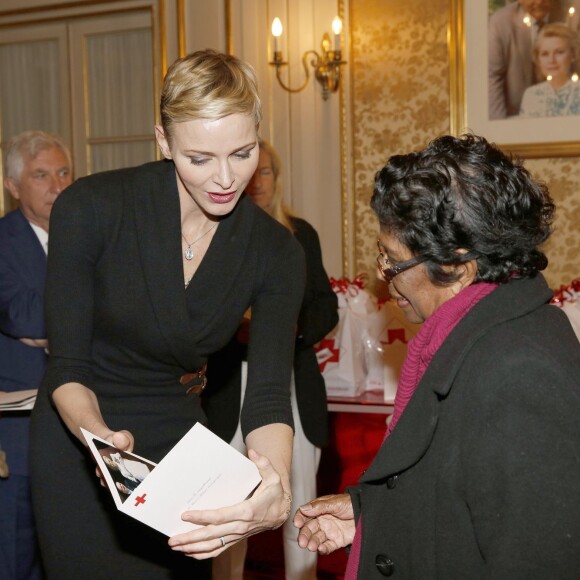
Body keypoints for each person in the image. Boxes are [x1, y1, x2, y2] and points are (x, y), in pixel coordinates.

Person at [29, 50, 306, 580]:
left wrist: (276, 483)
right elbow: (66, 366)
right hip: (81, 431)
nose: (226, 178)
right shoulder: (91, 209)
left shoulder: (276, 251)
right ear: (163, 141)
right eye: (200, 158)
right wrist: (102, 440)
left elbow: (268, 396)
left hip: (179, 447)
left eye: (243, 152)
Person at [293, 134, 580, 578]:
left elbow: (535, 557)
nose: (383, 275)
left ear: (458, 268)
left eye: (393, 261)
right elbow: (455, 485)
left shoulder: (520, 371)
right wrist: (370, 510)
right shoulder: (481, 334)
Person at [203, 139, 338, 580]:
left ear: (276, 179)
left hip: (291, 379)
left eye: (266, 172)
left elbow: (325, 307)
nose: (257, 180)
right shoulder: (210, 231)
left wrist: (284, 327)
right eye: (251, 170)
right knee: (227, 504)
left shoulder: (299, 234)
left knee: (301, 501)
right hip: (227, 386)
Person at [0, 130, 73, 580]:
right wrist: (75, 321)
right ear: (13, 186)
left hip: (79, 436)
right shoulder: (3, 241)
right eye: (42, 175)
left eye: (64, 172)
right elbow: (24, 317)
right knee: (16, 559)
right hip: (17, 437)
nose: (57, 185)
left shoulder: (87, 234)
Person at [488, 0, 566, 118]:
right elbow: (492, 77)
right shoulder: (500, 23)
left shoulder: (571, 14)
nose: (539, 1)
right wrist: (501, 129)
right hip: (516, 117)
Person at [519, 22, 580, 116]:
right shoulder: (531, 95)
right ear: (538, 59)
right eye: (545, 54)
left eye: (559, 52)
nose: (551, 60)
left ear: (573, 55)